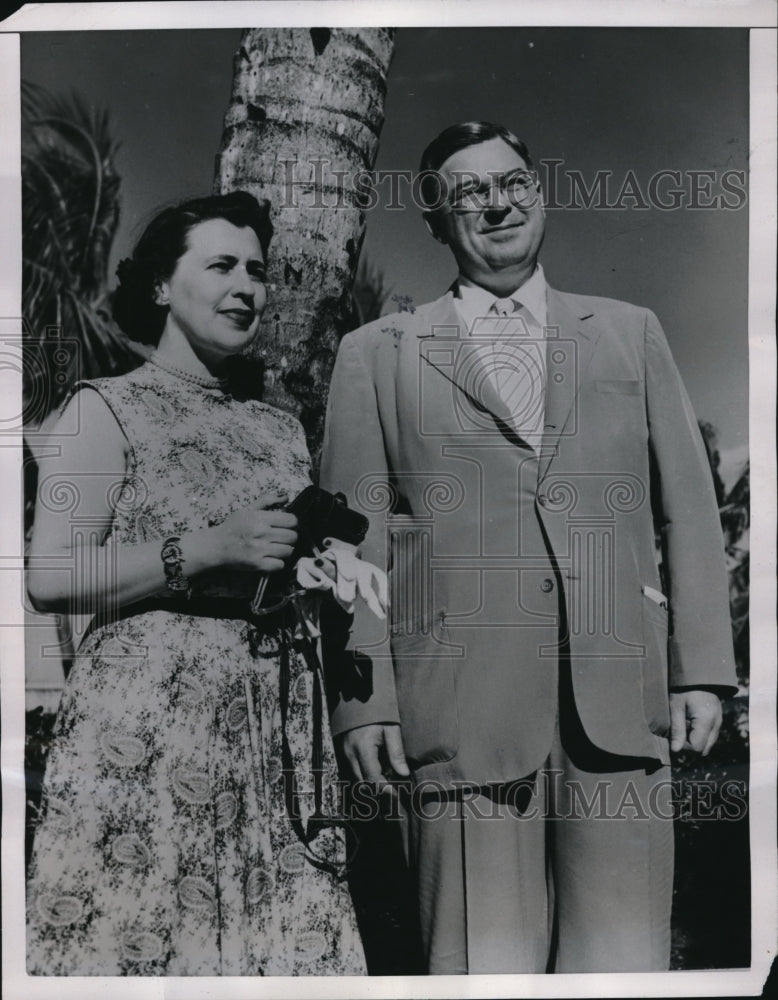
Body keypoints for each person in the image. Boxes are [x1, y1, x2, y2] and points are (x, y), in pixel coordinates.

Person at [320, 121, 738, 974]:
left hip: (618, 706)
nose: (497, 203)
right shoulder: (377, 355)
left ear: (539, 193)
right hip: (458, 713)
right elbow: (349, 542)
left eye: (513, 182)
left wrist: (701, 670)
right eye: (468, 192)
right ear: (436, 219)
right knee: (482, 970)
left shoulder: (631, 330)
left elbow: (690, 512)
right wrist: (366, 702)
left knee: (624, 969)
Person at [26, 192, 366, 976]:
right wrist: (206, 548)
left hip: (274, 730)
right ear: (158, 287)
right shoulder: (99, 409)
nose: (246, 285)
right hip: (146, 731)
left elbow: (270, 566)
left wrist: (314, 572)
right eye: (220, 266)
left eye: (256, 269)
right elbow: (50, 576)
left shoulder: (277, 427)